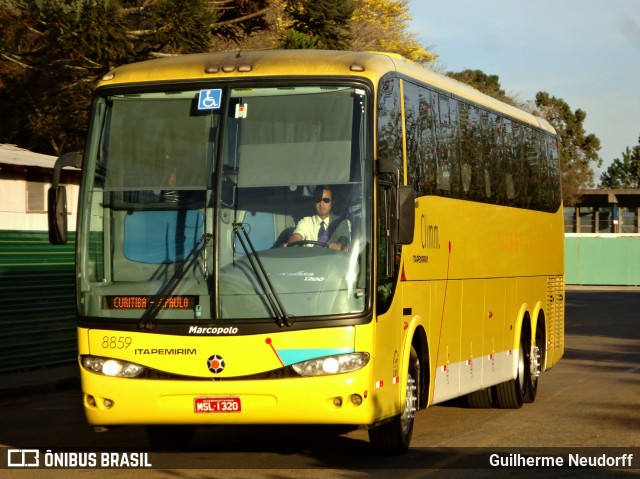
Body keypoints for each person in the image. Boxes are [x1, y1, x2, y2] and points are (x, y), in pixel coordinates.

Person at [284, 185, 350, 250]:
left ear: (332, 202)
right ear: (314, 202)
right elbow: (296, 236)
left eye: (326, 200)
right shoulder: (306, 222)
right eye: (318, 200)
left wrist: (338, 245)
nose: (321, 203)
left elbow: (344, 238)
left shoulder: (341, 222)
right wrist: (290, 244)